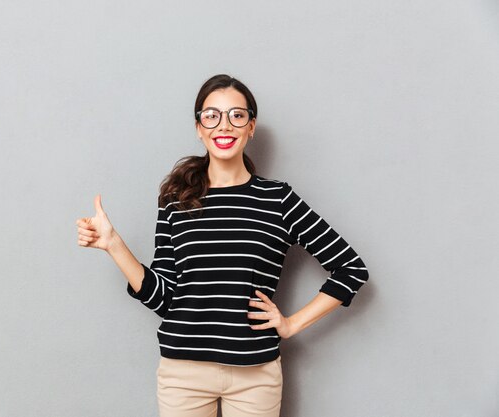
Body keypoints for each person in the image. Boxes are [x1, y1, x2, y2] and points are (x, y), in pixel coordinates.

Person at [76, 74, 369, 417]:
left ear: (251, 127)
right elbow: (165, 299)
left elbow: (351, 269)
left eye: (237, 115)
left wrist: (291, 324)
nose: (224, 126)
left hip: (255, 375)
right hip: (183, 374)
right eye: (212, 116)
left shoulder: (278, 199)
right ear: (199, 127)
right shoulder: (175, 200)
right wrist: (113, 245)